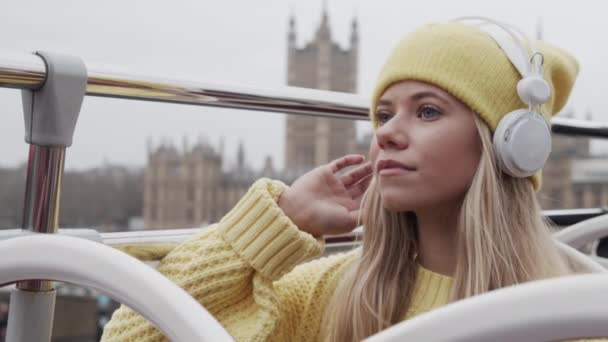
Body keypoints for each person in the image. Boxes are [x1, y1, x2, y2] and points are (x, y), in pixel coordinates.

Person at [101, 18, 601, 341]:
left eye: (427, 112)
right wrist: (279, 221)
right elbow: (131, 334)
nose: (388, 135)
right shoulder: (336, 294)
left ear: (511, 146)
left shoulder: (575, 313)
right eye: (383, 115)